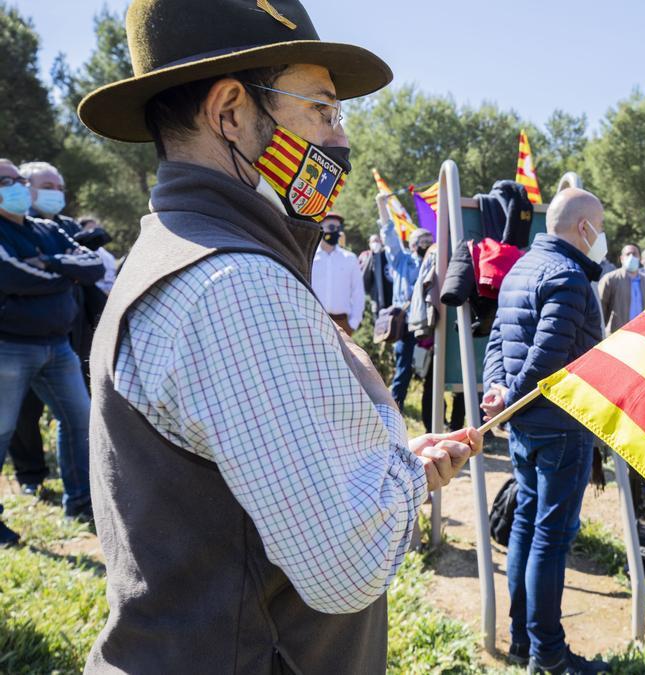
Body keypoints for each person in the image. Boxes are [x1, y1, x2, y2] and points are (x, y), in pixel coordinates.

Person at [74, 1, 481, 670]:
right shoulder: (235, 285)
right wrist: (385, 420)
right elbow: (347, 565)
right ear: (231, 112)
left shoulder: (172, 248)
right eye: (322, 109)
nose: (340, 137)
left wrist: (386, 469)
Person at [481, 187, 610, 674]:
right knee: (549, 540)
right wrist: (510, 394)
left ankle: (521, 641)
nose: (603, 238)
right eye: (600, 226)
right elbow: (548, 357)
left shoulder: (523, 266)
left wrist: (499, 390)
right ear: (584, 228)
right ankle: (548, 654)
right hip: (559, 426)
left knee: (526, 527)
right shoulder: (570, 275)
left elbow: (497, 338)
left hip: (525, 425)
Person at [0, 158, 104, 543]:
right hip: (10, 348)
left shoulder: (47, 230)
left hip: (58, 347)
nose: (12, 186)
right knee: (2, 431)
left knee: (79, 421)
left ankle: (80, 502)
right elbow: (11, 276)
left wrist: (49, 261)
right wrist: (65, 275)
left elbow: (91, 263)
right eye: (3, 180)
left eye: (15, 179)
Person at [380, 198, 432, 406]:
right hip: (407, 324)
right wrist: (381, 205)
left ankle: (435, 414)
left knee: (431, 371)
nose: (427, 244)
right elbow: (388, 233)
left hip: (428, 325)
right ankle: (395, 408)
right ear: (412, 245)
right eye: (423, 241)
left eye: (430, 240)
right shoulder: (402, 260)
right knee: (404, 369)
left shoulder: (435, 261)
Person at [311, 212, 365, 333]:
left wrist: (353, 323)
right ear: (321, 228)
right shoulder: (310, 258)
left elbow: (358, 292)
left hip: (342, 323)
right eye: (331, 227)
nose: (335, 231)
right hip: (315, 322)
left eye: (338, 228)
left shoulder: (350, 258)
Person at [598, 243, 645, 335]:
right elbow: (600, 310)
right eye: (628, 254)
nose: (631, 257)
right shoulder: (610, 279)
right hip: (617, 335)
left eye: (634, 254)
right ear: (621, 258)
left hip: (642, 334)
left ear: (640, 258)